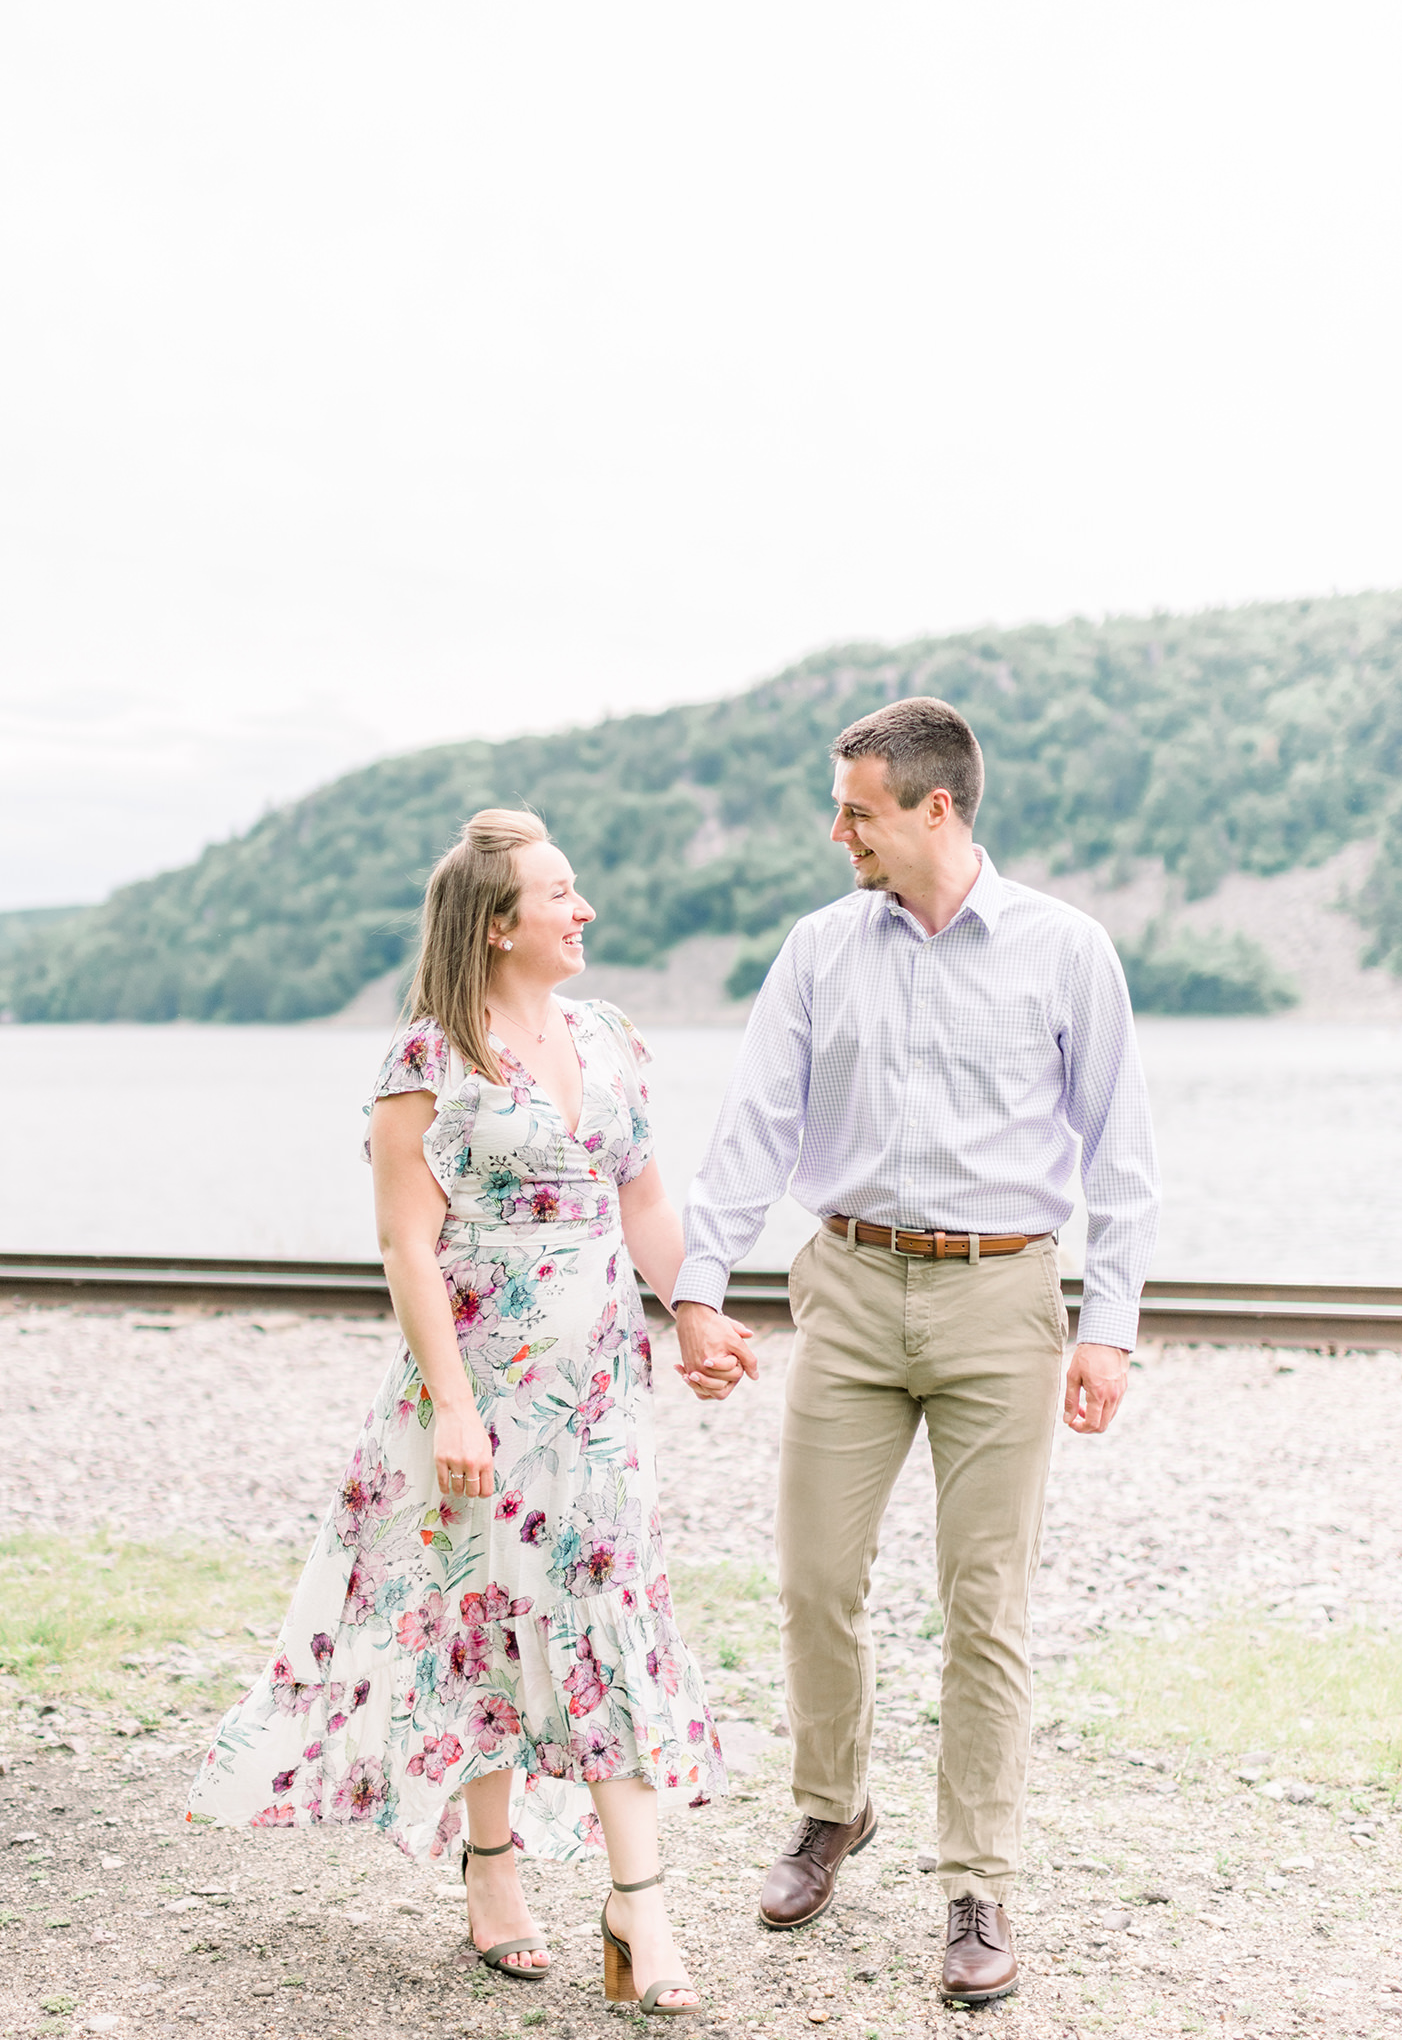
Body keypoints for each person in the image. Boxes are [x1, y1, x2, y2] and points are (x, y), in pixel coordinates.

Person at [188, 808, 750, 2019]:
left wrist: (695, 1309)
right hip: (477, 1396)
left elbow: (645, 1203)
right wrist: (451, 1405)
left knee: (607, 1612)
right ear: (500, 926)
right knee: (483, 1620)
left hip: (600, 1396)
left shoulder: (610, 1041)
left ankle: (636, 1898)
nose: (584, 908)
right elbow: (406, 1242)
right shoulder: (426, 1060)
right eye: (561, 893)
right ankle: (491, 1873)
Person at [670, 699, 1160, 2007]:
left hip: (1002, 1299)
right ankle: (832, 1808)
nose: (839, 833)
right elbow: (754, 1125)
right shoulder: (819, 950)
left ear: (934, 808)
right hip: (846, 1284)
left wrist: (1105, 1327)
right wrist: (697, 1290)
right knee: (815, 1578)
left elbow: (1119, 1153)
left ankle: (976, 1882)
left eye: (858, 812)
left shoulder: (1065, 951)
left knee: (982, 1603)